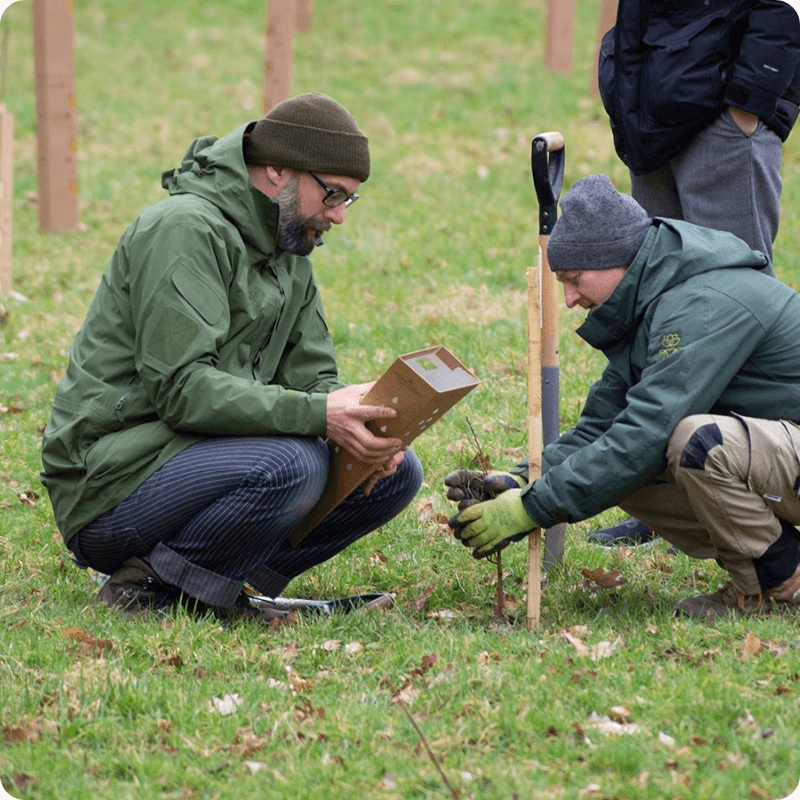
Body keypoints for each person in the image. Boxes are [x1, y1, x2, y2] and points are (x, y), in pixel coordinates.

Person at [40, 93, 423, 623]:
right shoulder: (183, 229)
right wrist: (320, 417)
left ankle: (221, 587)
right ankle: (152, 591)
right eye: (332, 194)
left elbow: (315, 381)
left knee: (392, 473)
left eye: (348, 200)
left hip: (199, 456)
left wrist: (362, 429)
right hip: (111, 483)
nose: (338, 215)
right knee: (294, 463)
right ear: (276, 169)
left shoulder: (291, 253)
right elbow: (182, 390)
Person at [446, 174, 800, 620]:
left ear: (618, 260)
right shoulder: (650, 302)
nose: (570, 299)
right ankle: (762, 577)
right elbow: (600, 432)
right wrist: (521, 481)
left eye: (574, 280)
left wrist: (531, 510)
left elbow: (645, 434)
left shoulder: (699, 304)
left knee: (697, 442)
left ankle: (784, 575)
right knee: (622, 467)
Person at [592, 0, 800, 546]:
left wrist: (746, 111)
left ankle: (751, 488)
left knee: (732, 308)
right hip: (650, 119)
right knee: (655, 296)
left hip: (724, 119)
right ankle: (662, 491)